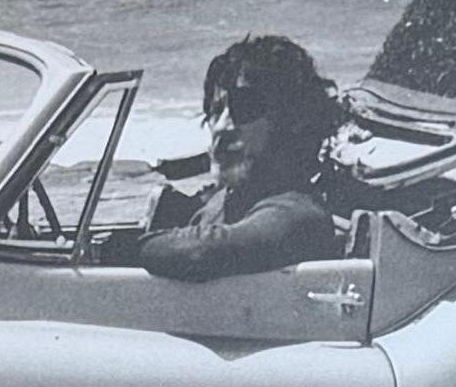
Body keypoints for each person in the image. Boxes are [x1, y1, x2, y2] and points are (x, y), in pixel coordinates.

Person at [140, 35, 351, 283]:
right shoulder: (225, 202)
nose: (222, 126)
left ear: (291, 121)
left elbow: (199, 253)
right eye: (215, 111)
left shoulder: (299, 215)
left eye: (245, 108)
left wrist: (123, 248)